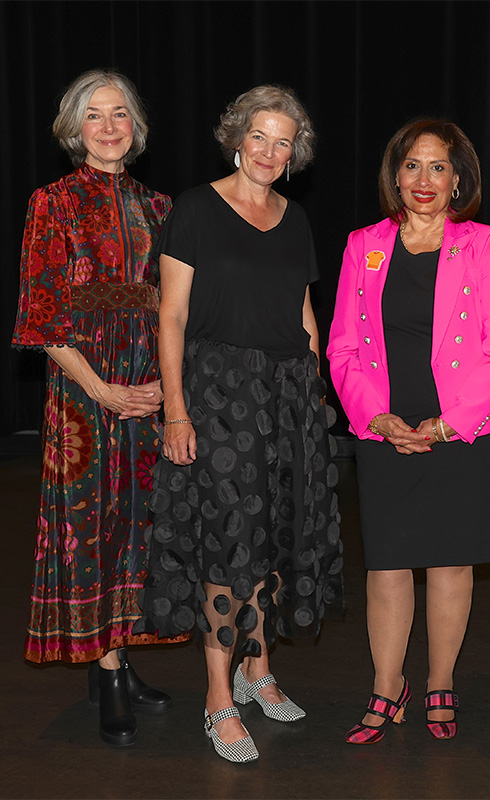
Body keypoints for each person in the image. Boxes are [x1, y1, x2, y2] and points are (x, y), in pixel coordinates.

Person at [139, 85, 344, 764]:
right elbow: (169, 317)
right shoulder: (195, 209)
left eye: (283, 141)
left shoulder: (294, 218)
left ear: (295, 155)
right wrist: (176, 408)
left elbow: (305, 313)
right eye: (259, 135)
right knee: (230, 540)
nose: (269, 150)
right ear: (237, 138)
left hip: (287, 396)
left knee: (275, 536)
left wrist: (316, 393)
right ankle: (218, 698)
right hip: (218, 392)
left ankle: (259, 672)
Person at [327, 119, 490, 745]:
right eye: (412, 165)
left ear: (458, 178)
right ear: (395, 176)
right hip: (384, 428)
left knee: (449, 565)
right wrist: (375, 418)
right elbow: (343, 348)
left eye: (438, 167)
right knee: (386, 565)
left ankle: (440, 682)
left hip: (463, 428)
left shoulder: (482, 243)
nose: (424, 179)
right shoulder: (365, 244)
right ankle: (388, 689)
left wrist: (444, 426)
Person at [12, 68, 182, 748]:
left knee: (139, 525)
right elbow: (42, 315)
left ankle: (121, 655)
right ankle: (106, 669)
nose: (109, 126)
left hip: (148, 384)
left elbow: (178, 309)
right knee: (92, 521)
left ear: (135, 127)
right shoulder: (52, 203)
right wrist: (103, 390)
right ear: (74, 129)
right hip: (85, 391)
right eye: (94, 116)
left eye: (120, 115)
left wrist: (166, 388)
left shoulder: (162, 207)